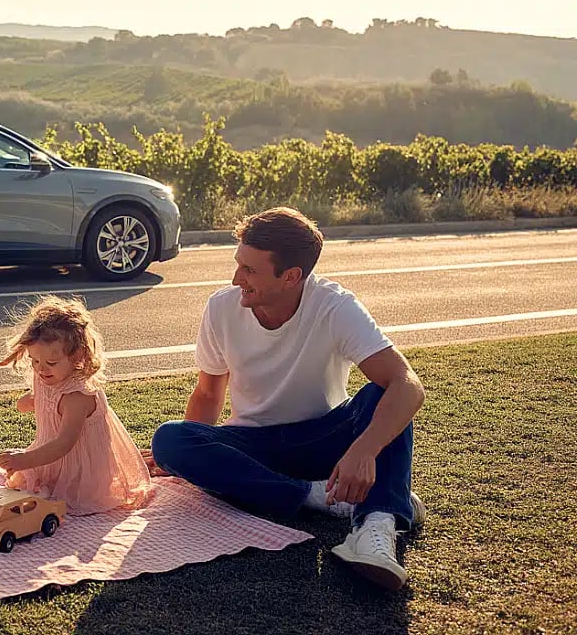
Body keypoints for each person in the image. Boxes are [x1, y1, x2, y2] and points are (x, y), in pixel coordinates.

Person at [148, 207, 427, 591]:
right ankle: (317, 496)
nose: (236, 278)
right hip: (254, 445)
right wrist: (185, 455)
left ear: (292, 276)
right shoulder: (221, 308)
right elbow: (208, 392)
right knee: (170, 438)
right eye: (238, 265)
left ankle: (375, 526)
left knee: (383, 392)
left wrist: (363, 451)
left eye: (249, 271)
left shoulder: (335, 306)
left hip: (325, 441)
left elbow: (407, 383)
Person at [0, 295, 153, 515]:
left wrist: (25, 460)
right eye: (34, 361)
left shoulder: (77, 396)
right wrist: (29, 401)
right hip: (51, 457)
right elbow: (39, 401)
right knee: (30, 492)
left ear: (77, 356)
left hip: (81, 468)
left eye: (50, 363)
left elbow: (64, 442)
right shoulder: (48, 377)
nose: (41, 369)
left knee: (59, 502)